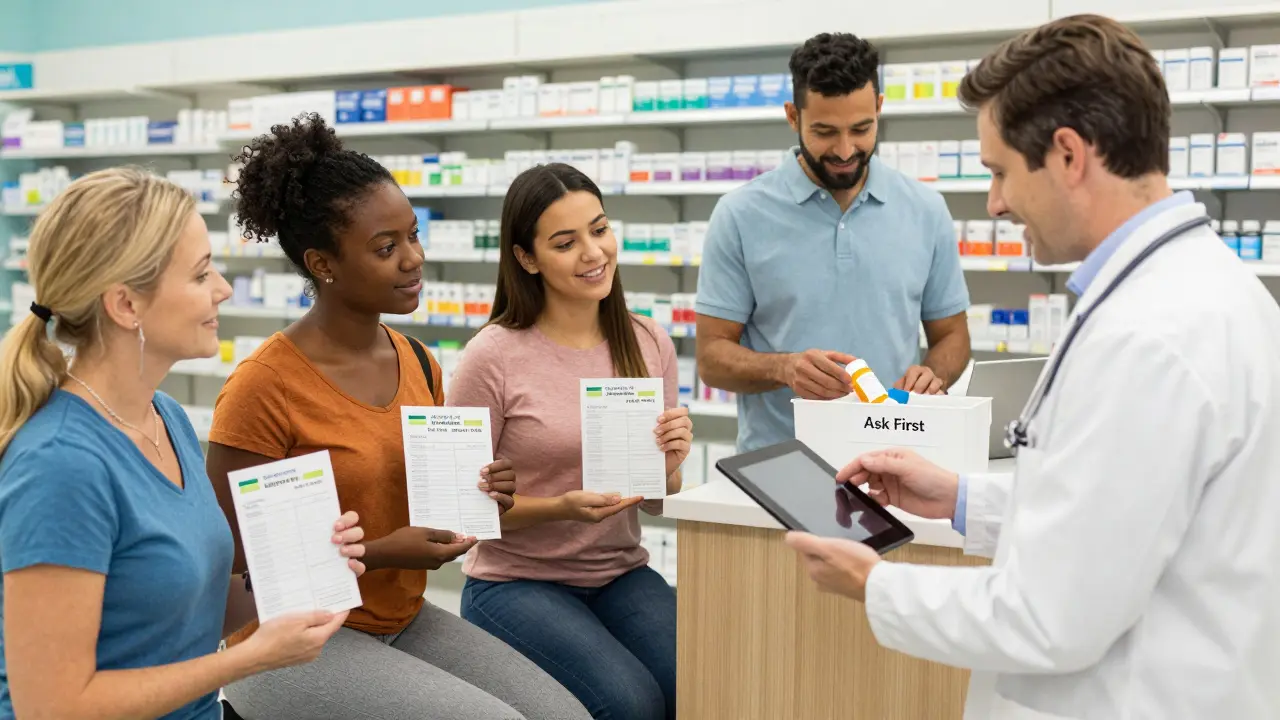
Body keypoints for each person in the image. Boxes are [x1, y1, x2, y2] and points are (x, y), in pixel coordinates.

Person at [784, 14, 1280, 719]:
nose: (995, 202)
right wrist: (961, 498)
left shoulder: (1149, 335)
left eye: (1000, 172)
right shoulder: (1205, 290)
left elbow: (1051, 618)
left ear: (1069, 155)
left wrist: (875, 585)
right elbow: (1122, 512)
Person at [205, 115, 591, 720]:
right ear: (323, 263)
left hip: (400, 618)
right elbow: (232, 575)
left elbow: (420, 496)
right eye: (386, 248)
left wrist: (483, 494)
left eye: (413, 235)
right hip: (290, 640)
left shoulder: (417, 360)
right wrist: (383, 552)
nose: (413, 259)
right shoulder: (263, 387)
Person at [0, 167, 366, 720]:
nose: (222, 288)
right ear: (125, 306)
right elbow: (51, 708)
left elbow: (177, 618)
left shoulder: (164, 418)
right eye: (200, 275)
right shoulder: (60, 465)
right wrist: (245, 661)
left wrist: (305, 570)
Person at [446, 163, 693, 720]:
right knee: (629, 702)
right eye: (566, 242)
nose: (593, 253)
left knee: (700, 679)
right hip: (515, 583)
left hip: (619, 571)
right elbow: (460, 511)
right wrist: (560, 509)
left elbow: (655, 498)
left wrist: (669, 464)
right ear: (527, 258)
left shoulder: (648, 340)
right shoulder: (493, 355)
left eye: (599, 230)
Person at [695, 31, 972, 453]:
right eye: (825, 132)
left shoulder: (925, 209)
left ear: (879, 108)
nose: (845, 150)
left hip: (896, 460)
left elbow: (953, 335)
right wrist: (784, 368)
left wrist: (933, 374)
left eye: (861, 129)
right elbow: (712, 359)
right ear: (793, 116)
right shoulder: (740, 215)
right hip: (780, 466)